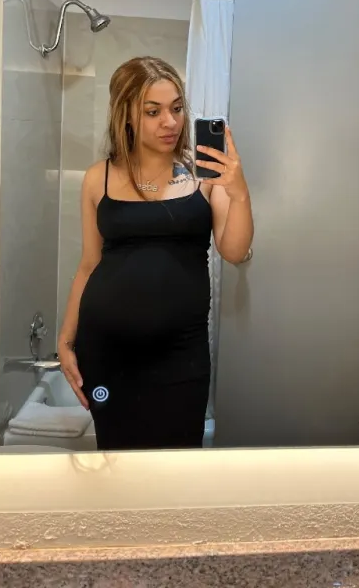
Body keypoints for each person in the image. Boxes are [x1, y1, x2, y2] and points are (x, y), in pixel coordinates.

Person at [57, 56, 253, 451]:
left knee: (177, 467)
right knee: (116, 463)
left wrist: (239, 192)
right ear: (126, 115)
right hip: (107, 352)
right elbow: (89, 264)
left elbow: (234, 251)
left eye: (176, 108)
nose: (170, 122)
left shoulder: (202, 175)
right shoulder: (99, 178)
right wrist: (65, 340)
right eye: (153, 111)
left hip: (181, 356)